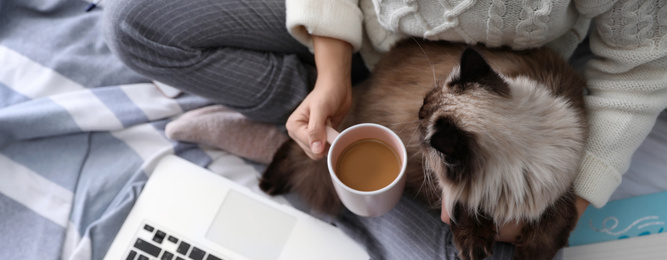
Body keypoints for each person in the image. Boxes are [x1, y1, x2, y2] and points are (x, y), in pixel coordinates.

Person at [103, 0, 667, 258]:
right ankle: (314, 126)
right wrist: (330, 71)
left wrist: (562, 206)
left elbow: (640, 70)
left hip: (491, 109)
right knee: (135, 26)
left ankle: (326, 154)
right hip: (369, 37)